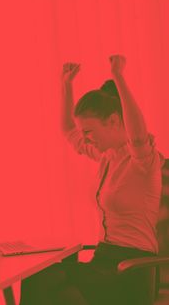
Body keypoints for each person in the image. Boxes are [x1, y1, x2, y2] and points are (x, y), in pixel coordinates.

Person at [20, 55, 165, 305]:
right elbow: (68, 130)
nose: (85, 138)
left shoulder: (144, 161)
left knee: (49, 284)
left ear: (113, 121)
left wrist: (119, 76)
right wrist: (66, 86)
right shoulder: (105, 156)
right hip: (103, 262)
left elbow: (138, 137)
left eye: (89, 132)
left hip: (131, 270)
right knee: (45, 282)